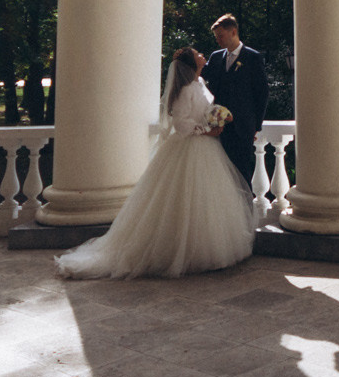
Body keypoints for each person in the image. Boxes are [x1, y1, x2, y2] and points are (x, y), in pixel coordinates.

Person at [56, 47, 258, 280]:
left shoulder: (200, 82)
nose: (202, 54)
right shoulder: (184, 90)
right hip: (191, 148)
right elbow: (181, 125)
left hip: (208, 149)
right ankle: (182, 253)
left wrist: (216, 116)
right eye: (197, 54)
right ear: (191, 63)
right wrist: (208, 130)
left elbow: (202, 110)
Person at [203, 14, 269, 185]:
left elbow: (262, 94)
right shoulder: (216, 57)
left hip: (242, 128)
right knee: (220, 178)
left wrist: (256, 126)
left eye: (221, 35)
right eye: (216, 36)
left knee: (242, 176)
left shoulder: (253, 57)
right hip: (218, 128)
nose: (217, 40)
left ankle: (245, 211)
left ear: (233, 32)